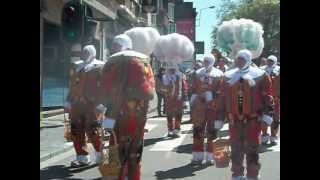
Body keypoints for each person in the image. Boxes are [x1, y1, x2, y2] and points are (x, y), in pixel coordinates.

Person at [100, 32, 156, 180]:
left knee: (128, 151)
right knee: (120, 149)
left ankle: (125, 176)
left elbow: (148, 92)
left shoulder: (123, 62)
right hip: (121, 115)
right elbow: (149, 92)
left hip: (127, 116)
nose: (113, 50)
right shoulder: (139, 61)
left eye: (116, 47)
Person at [223, 49, 274, 180]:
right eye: (238, 59)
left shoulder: (260, 75)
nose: (239, 62)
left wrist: (268, 115)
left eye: (242, 59)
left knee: (252, 148)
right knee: (235, 147)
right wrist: (220, 116)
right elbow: (224, 97)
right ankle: (237, 174)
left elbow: (268, 97)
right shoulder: (228, 76)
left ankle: (252, 174)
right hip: (234, 119)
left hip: (253, 119)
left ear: (248, 60)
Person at [65, 45, 105, 167]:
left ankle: (100, 155)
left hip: (92, 104)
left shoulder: (100, 66)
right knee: (76, 130)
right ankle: (82, 157)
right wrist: (68, 101)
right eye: (83, 52)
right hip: (77, 104)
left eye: (87, 52)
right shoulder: (76, 66)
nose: (85, 54)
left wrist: (102, 104)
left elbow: (104, 86)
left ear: (93, 53)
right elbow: (72, 86)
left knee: (93, 129)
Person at [190, 54, 224, 166]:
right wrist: (193, 98)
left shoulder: (219, 74)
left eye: (208, 61)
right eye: (205, 60)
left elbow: (221, 91)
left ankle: (210, 155)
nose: (206, 62)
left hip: (212, 108)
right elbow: (193, 88)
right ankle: (197, 155)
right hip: (199, 107)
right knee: (198, 131)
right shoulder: (198, 73)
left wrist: (212, 96)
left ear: (213, 61)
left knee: (211, 132)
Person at [260, 55, 280, 145]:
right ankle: (264, 136)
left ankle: (273, 136)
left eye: (272, 61)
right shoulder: (261, 70)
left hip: (276, 99)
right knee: (264, 118)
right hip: (264, 100)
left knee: (275, 119)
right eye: (268, 60)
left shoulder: (279, 70)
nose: (269, 62)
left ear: (275, 61)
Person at [162, 64, 184, 137]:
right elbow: (162, 87)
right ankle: (170, 129)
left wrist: (184, 98)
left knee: (178, 114)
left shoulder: (180, 76)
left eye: (173, 69)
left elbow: (184, 87)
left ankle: (177, 129)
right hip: (169, 98)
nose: (172, 70)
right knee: (169, 114)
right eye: (170, 68)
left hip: (178, 98)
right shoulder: (165, 77)